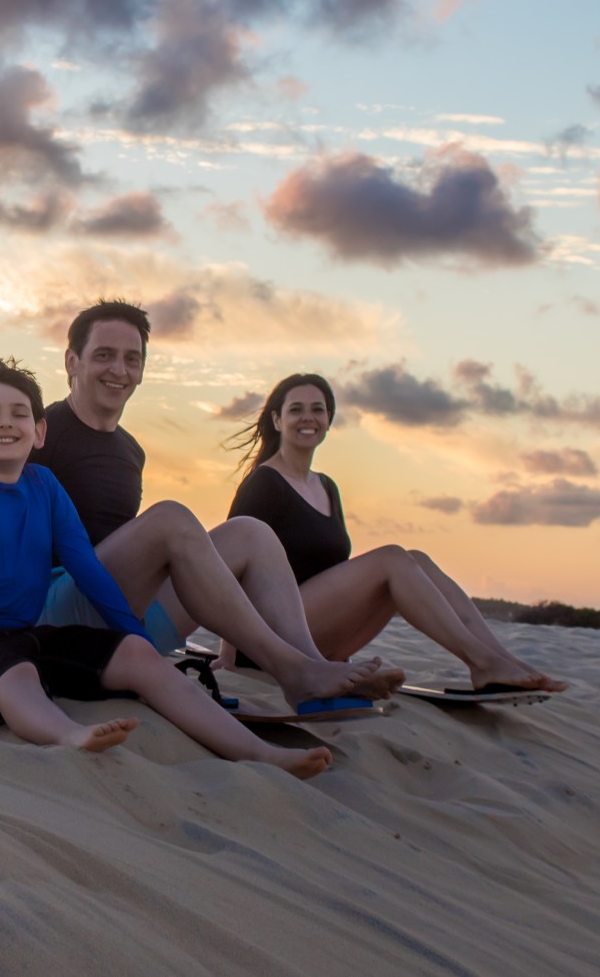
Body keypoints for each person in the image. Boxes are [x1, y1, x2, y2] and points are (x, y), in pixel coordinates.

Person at [0, 356, 334, 779]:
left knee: (136, 654)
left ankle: (260, 753)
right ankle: (70, 735)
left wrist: (128, 632)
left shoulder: (46, 487)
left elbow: (87, 569)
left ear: (40, 429)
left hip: (25, 632)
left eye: (19, 413)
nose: (5, 423)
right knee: (17, 672)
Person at [29, 300, 405, 707]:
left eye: (131, 358)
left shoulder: (130, 452)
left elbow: (124, 553)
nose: (119, 370)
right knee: (171, 518)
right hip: (51, 618)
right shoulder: (39, 435)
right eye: (104, 355)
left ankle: (312, 667)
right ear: (72, 361)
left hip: (122, 620)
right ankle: (292, 670)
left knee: (251, 533)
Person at [225, 373, 566, 693]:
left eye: (318, 409)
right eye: (295, 409)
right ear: (277, 420)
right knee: (391, 559)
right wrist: (229, 660)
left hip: (317, 641)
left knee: (415, 560)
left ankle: (504, 661)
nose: (307, 418)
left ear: (329, 420)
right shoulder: (265, 485)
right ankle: (483, 663)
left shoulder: (327, 487)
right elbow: (225, 569)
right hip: (268, 641)